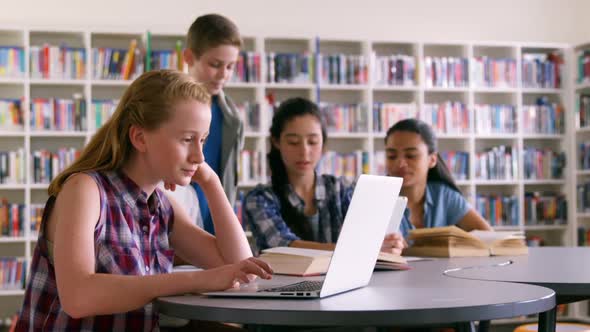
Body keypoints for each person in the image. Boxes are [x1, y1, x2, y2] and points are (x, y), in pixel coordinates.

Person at [15, 70, 272, 331]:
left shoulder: (162, 204)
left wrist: (212, 183)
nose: (199, 156)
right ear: (139, 138)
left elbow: (243, 269)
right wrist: (198, 280)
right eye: (187, 139)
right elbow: (78, 297)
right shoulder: (85, 190)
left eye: (202, 140)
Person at [243, 97, 404, 255]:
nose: (304, 152)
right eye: (293, 142)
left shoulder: (342, 190)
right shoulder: (259, 199)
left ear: (323, 143)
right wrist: (359, 251)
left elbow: (369, 234)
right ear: (277, 142)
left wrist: (387, 243)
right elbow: (285, 248)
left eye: (312, 142)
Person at [177, 13, 244, 234]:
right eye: (215, 64)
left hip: (215, 227)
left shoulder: (232, 118)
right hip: (175, 225)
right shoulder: (166, 109)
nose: (223, 75)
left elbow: (228, 183)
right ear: (188, 57)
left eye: (230, 67)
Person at [383, 118, 492, 238]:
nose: (400, 163)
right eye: (391, 156)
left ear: (432, 160)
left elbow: (489, 238)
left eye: (411, 155)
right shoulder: (377, 200)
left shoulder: (444, 196)